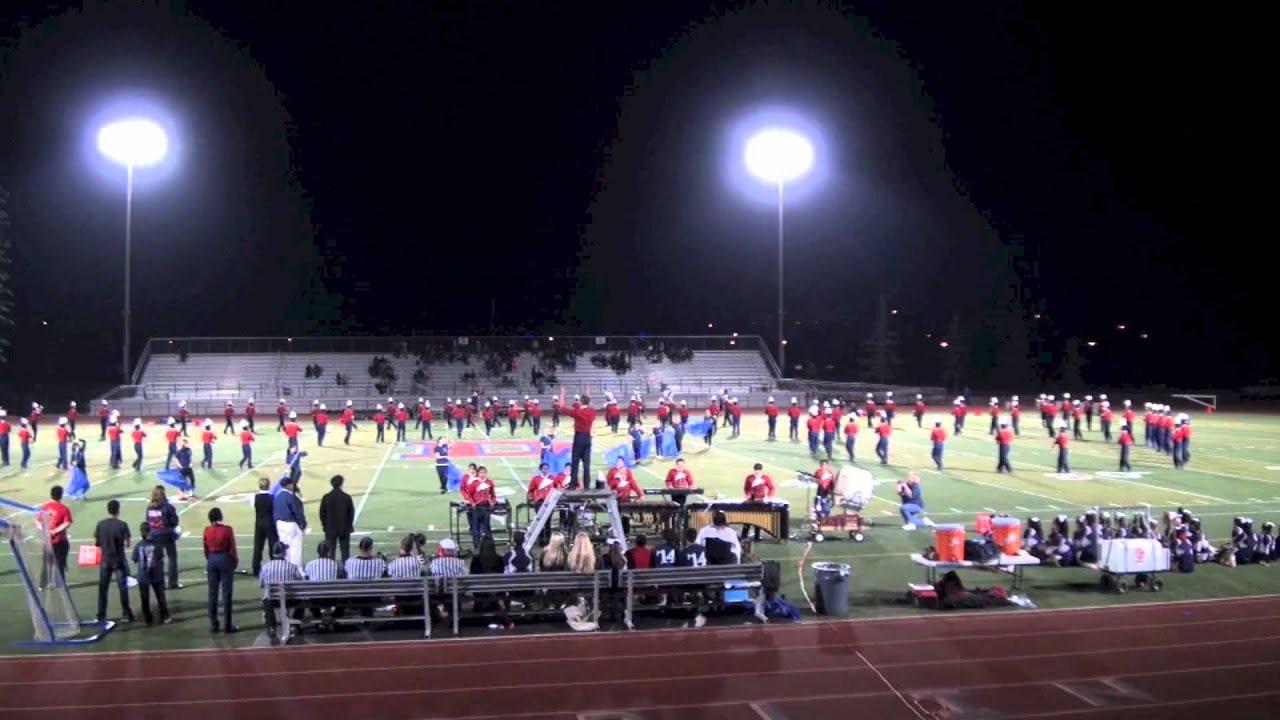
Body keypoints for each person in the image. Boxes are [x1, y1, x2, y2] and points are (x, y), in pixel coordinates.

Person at [93, 499, 135, 624]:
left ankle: (101, 614)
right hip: (118, 559)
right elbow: (127, 544)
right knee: (123, 588)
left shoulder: (101, 524)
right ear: (118, 510)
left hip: (105, 559)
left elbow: (96, 543)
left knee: (103, 589)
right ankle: (126, 614)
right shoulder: (122, 525)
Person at [202, 507, 239, 633]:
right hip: (224, 559)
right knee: (226, 594)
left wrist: (210, 559)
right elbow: (232, 548)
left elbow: (205, 548)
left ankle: (214, 624)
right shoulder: (227, 530)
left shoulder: (207, 530)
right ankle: (227, 625)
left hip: (212, 560)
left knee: (212, 593)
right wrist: (234, 562)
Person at [131, 523, 171, 625]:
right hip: (156, 574)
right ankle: (165, 615)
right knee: (160, 597)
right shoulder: (157, 544)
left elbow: (135, 559)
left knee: (144, 598)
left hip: (143, 575)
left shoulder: (139, 545)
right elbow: (160, 556)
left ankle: (148, 618)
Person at [144, 486, 182, 590]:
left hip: (154, 535)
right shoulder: (168, 507)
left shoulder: (149, 507)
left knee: (157, 560)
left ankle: (159, 582)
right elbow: (175, 521)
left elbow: (147, 521)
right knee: (172, 558)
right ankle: (173, 582)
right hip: (166, 534)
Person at [40, 485, 73, 589]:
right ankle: (60, 584)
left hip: (47, 541)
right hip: (60, 541)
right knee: (60, 564)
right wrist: (55, 531)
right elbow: (67, 523)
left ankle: (42, 585)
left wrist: (46, 530)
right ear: (61, 495)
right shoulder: (64, 508)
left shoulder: (44, 507)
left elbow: (37, 520)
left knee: (46, 563)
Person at [319, 475, 355, 564]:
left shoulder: (326, 497)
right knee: (345, 552)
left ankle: (331, 570)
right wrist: (349, 525)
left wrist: (325, 525)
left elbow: (322, 513)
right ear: (341, 484)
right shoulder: (346, 497)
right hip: (344, 528)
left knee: (330, 552)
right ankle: (346, 571)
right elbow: (351, 513)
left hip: (330, 528)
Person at [273, 478, 307, 567]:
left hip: (279, 524)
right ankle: (297, 570)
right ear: (288, 485)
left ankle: (285, 568)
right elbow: (298, 512)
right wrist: (303, 525)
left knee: (284, 548)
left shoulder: (277, 497)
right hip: (291, 524)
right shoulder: (291, 497)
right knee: (295, 548)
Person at [250, 477, 277, 576]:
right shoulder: (272, 497)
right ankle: (275, 565)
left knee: (258, 546)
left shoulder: (254, 497)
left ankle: (255, 568)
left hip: (259, 523)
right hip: (270, 523)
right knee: (272, 545)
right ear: (269, 485)